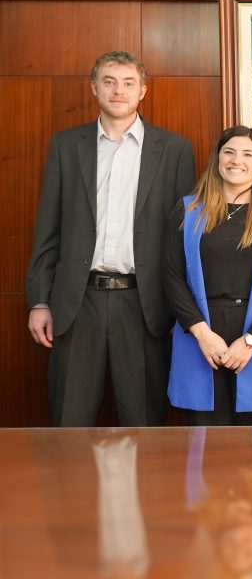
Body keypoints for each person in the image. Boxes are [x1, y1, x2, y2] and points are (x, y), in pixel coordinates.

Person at [25, 50, 196, 426]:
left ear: (143, 91)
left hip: (145, 305)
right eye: (109, 81)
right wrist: (39, 301)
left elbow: (181, 240)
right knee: (70, 421)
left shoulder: (175, 150)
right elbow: (47, 230)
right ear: (94, 88)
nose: (118, 91)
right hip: (75, 302)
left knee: (144, 423)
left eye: (128, 83)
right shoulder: (66, 146)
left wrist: (184, 310)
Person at [164, 126, 252, 425]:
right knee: (204, 448)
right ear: (217, 160)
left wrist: (251, 340)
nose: (237, 160)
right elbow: (172, 277)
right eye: (229, 152)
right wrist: (202, 334)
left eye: (247, 154)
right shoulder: (188, 210)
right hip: (200, 336)